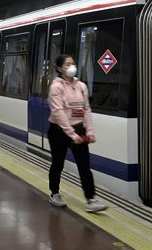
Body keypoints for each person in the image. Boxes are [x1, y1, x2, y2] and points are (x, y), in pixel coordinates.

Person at [46, 54, 107, 212]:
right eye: (67, 65)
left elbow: (86, 109)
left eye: (72, 64)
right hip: (58, 131)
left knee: (84, 166)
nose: (71, 67)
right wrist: (72, 135)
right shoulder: (56, 87)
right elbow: (58, 113)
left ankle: (91, 199)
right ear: (59, 68)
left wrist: (89, 131)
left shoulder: (81, 86)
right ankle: (54, 193)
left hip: (79, 129)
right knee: (58, 164)